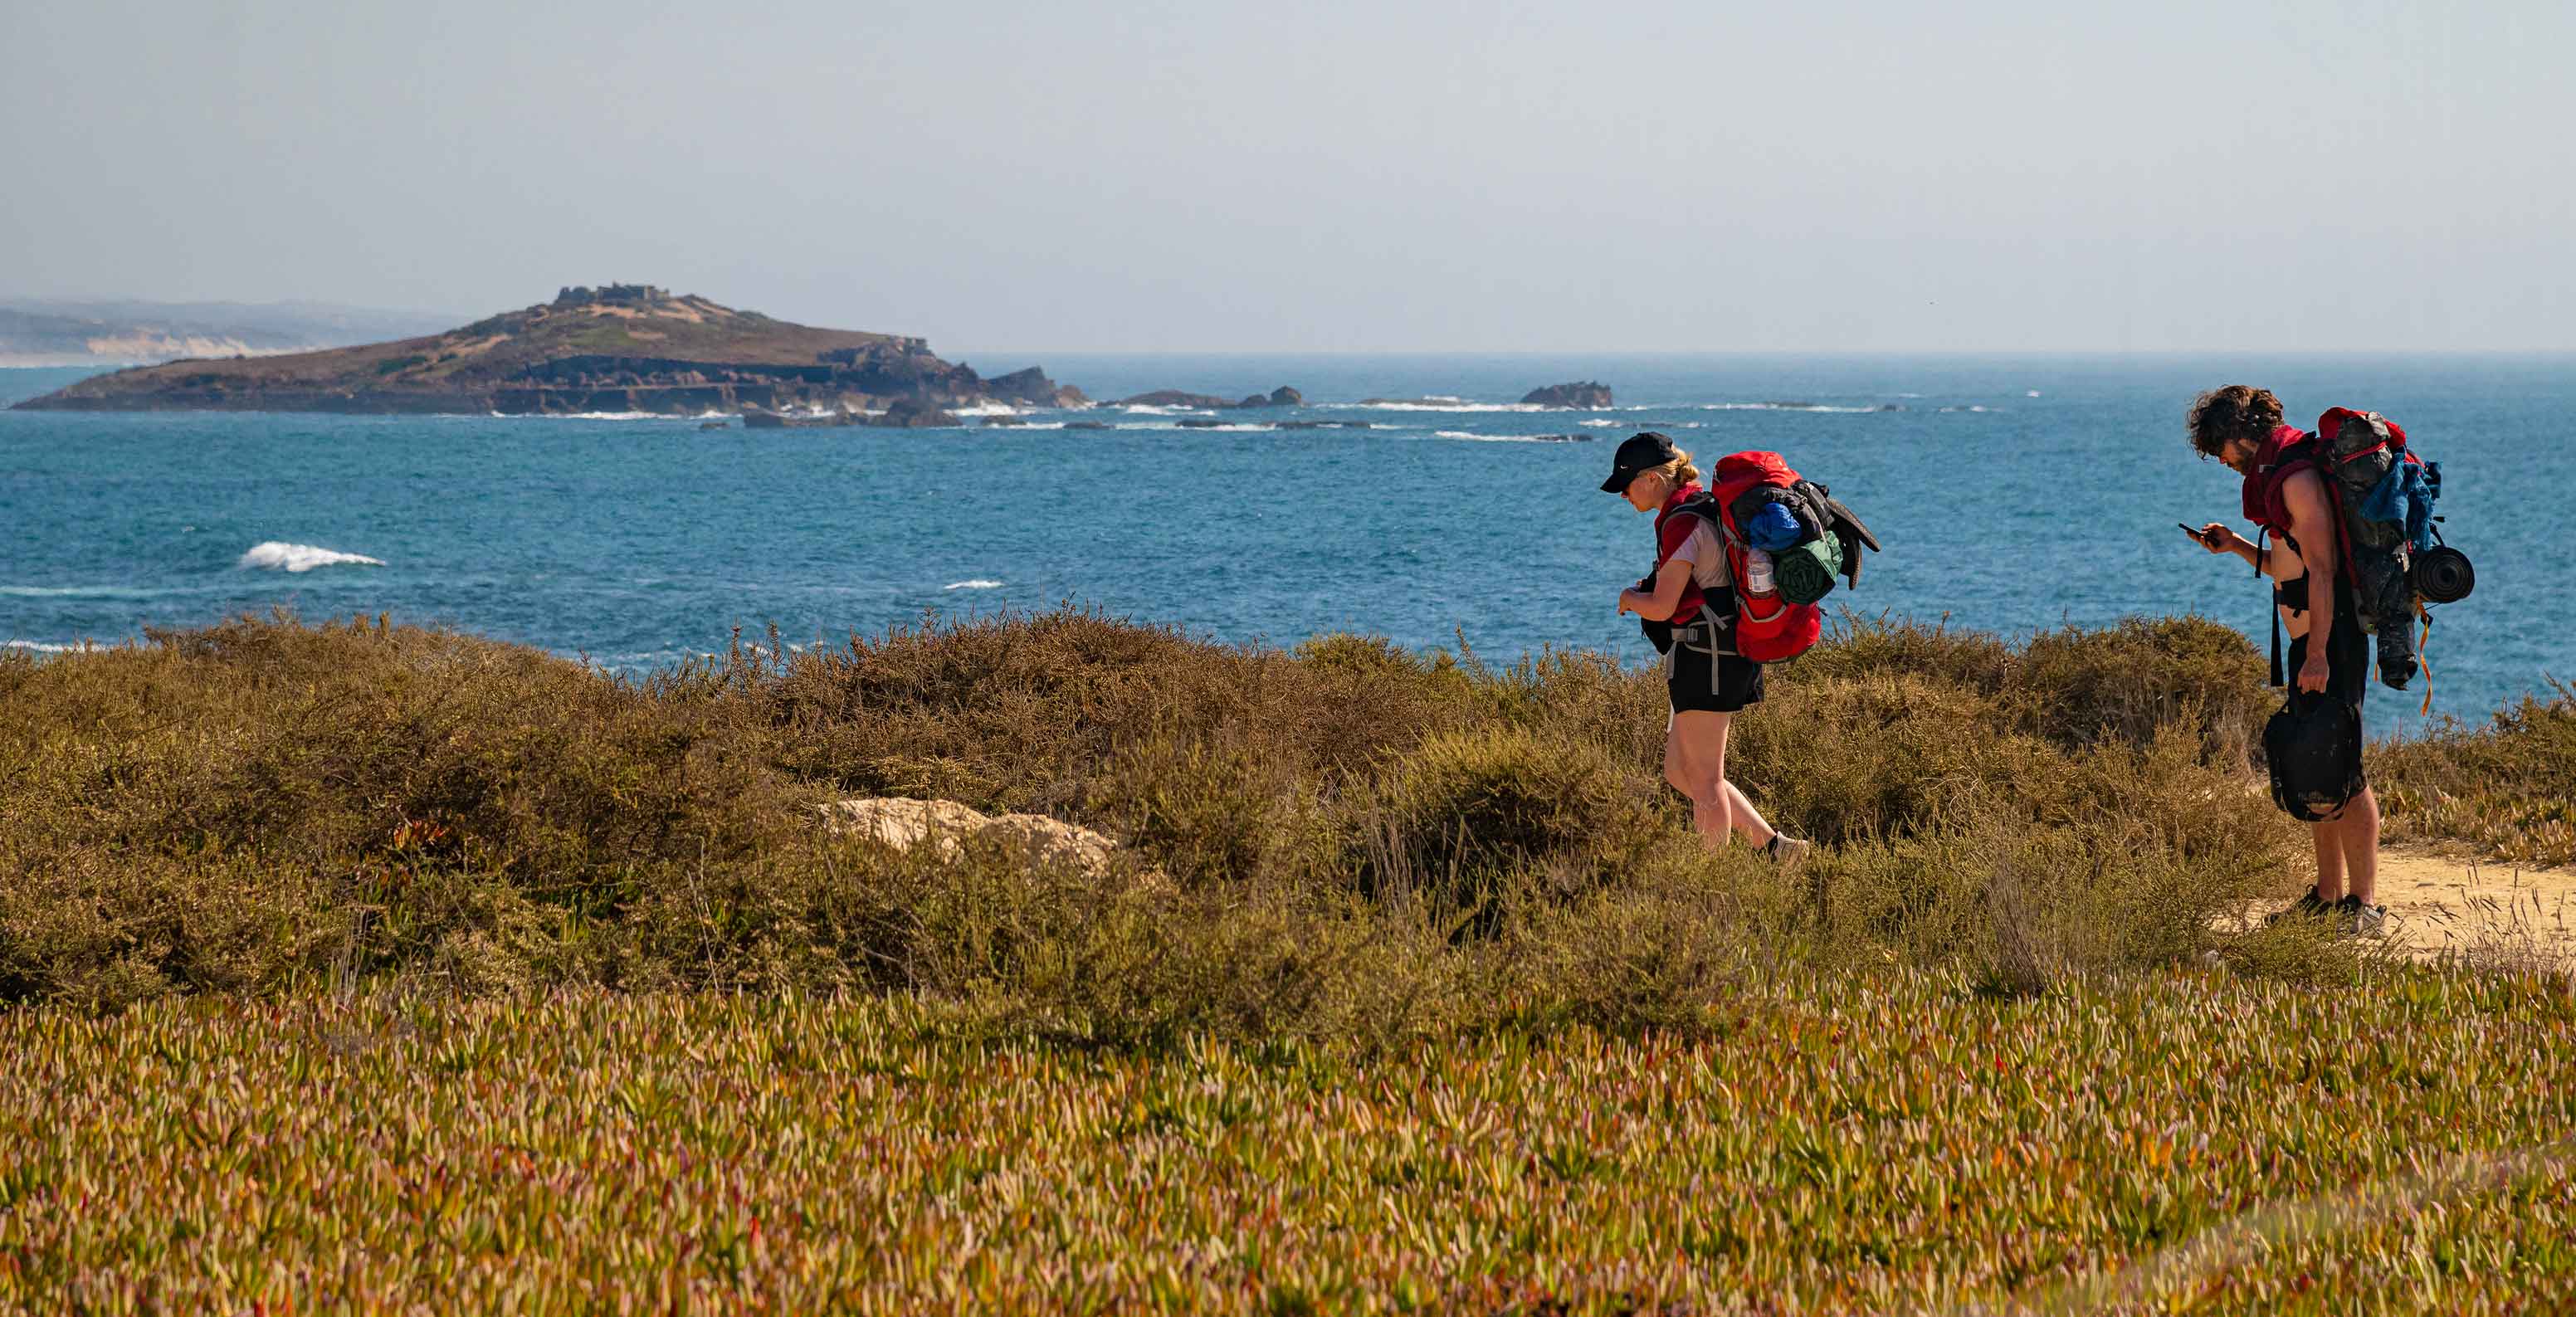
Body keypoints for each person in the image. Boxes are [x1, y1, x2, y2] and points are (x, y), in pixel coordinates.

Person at [2183, 386, 2385, 935]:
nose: (2222, 460)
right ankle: (2327, 896)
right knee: (2316, 765)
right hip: (2310, 645)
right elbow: (2288, 566)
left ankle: (2364, 905)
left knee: (2346, 769)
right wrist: (2236, 547)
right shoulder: (2276, 477)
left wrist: (2318, 653)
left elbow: (2323, 570)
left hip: (2331, 641)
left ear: (2241, 433)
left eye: (2221, 447)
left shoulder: (2296, 479)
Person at [1602, 432, 1810, 865]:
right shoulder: (1699, 508)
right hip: (1714, 654)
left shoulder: (1683, 523)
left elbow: (1662, 606)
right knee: (1679, 771)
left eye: (1627, 484)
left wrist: (1629, 598)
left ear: (1653, 478)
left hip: (1709, 658)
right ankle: (1779, 849)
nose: (1623, 495)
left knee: (1705, 781)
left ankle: (1713, 880)